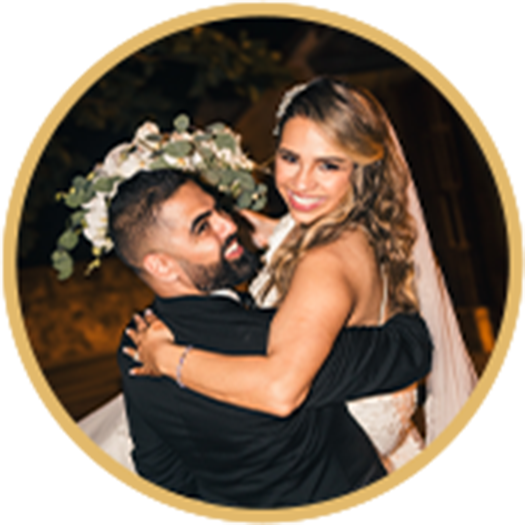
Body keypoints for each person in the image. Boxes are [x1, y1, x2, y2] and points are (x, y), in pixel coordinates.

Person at [128, 78, 477, 473]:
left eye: (328, 165)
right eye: (290, 158)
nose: (301, 182)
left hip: (336, 468)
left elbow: (280, 390)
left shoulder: (325, 261)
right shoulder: (350, 225)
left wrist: (166, 357)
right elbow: (279, 231)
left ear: (360, 169)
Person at [109, 167, 432, 507]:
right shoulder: (273, 339)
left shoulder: (135, 345)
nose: (228, 225)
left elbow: (162, 475)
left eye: (219, 209)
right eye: (202, 227)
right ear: (161, 265)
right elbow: (409, 353)